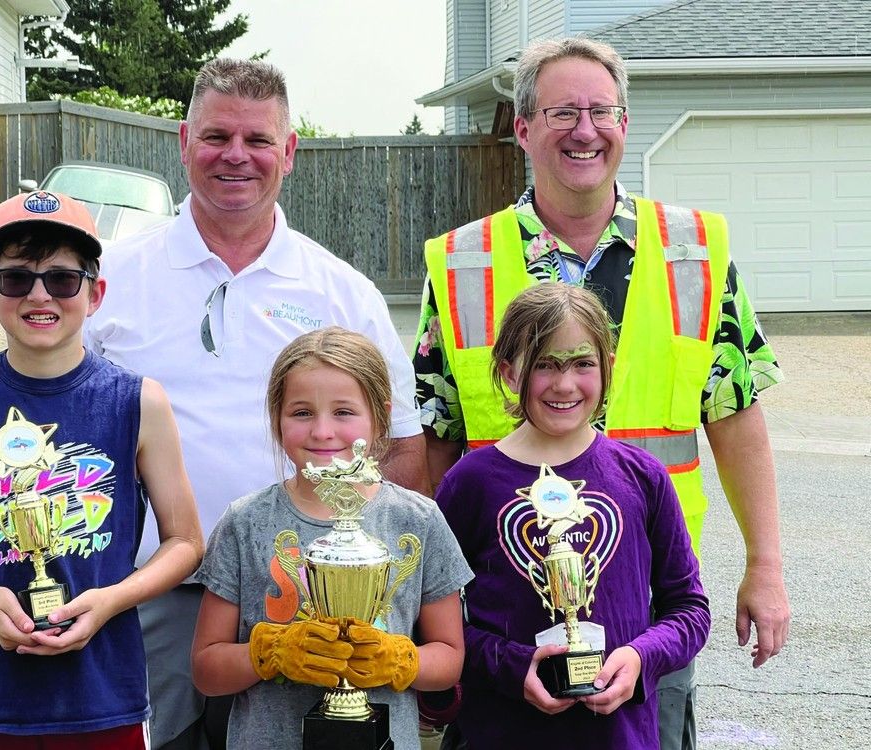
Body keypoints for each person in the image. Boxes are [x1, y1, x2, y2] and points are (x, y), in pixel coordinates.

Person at [414, 37, 790, 748]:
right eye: (562, 112)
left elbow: (736, 417)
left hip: (648, 615)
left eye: (602, 110)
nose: (585, 129)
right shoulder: (463, 263)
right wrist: (424, 603)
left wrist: (764, 568)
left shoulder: (696, 255)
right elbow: (431, 440)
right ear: (523, 129)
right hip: (504, 625)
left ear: (624, 123)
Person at [84, 58, 428, 749]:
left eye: (258, 140)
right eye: (216, 136)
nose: (235, 156)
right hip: (157, 601)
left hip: (309, 602)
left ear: (289, 151)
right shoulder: (109, 282)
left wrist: (365, 589)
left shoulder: (342, 292)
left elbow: (405, 450)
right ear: (184, 141)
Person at [0, 190, 204, 748]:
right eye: (16, 278)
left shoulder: (138, 402)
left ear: (96, 294)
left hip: (104, 695)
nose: (40, 295)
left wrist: (112, 599)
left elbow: (185, 540)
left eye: (63, 279)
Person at [434, 283, 710, 748]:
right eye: (544, 364)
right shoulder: (470, 484)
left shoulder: (643, 476)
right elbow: (432, 621)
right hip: (501, 733)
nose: (564, 384)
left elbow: (689, 608)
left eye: (583, 363)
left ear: (608, 369)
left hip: (619, 736)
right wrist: (511, 665)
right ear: (508, 372)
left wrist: (641, 657)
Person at [191, 327, 473, 750]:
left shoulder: (418, 520)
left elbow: (449, 658)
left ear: (380, 417)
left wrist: (397, 658)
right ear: (277, 418)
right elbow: (206, 669)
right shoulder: (245, 521)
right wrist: (271, 651)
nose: (323, 431)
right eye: (302, 412)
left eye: (344, 412)